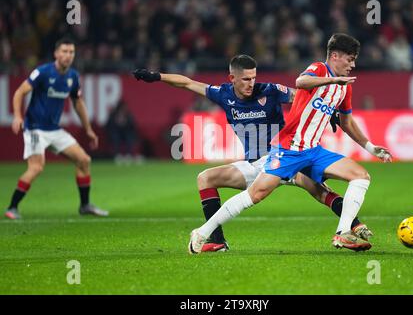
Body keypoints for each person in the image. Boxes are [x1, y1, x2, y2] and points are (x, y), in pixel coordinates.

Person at [133, 53, 372, 252]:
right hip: (256, 165)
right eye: (246, 79)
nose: (251, 83)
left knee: (319, 191)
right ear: (232, 78)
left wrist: (329, 111)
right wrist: (158, 76)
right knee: (205, 178)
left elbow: (302, 95)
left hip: (285, 156)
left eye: (253, 78)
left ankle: (353, 225)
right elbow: (187, 83)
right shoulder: (223, 94)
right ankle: (216, 240)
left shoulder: (269, 90)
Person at [188, 34, 393, 254]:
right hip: (289, 149)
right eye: (350, 59)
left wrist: (371, 148)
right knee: (255, 195)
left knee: (361, 176)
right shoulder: (319, 70)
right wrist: (333, 80)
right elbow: (300, 82)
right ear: (335, 56)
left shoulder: (345, 87)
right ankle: (202, 233)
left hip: (314, 151)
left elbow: (347, 122)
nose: (353, 65)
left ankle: (343, 233)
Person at [4, 37, 108, 220]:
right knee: (36, 167)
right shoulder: (43, 72)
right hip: (35, 128)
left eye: (71, 52)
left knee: (84, 160)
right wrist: (18, 116)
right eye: (64, 51)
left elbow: (78, 103)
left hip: (54, 130)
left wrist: (89, 129)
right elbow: (20, 92)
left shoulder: (73, 76)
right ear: (56, 53)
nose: (68, 56)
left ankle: (85, 205)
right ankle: (12, 207)